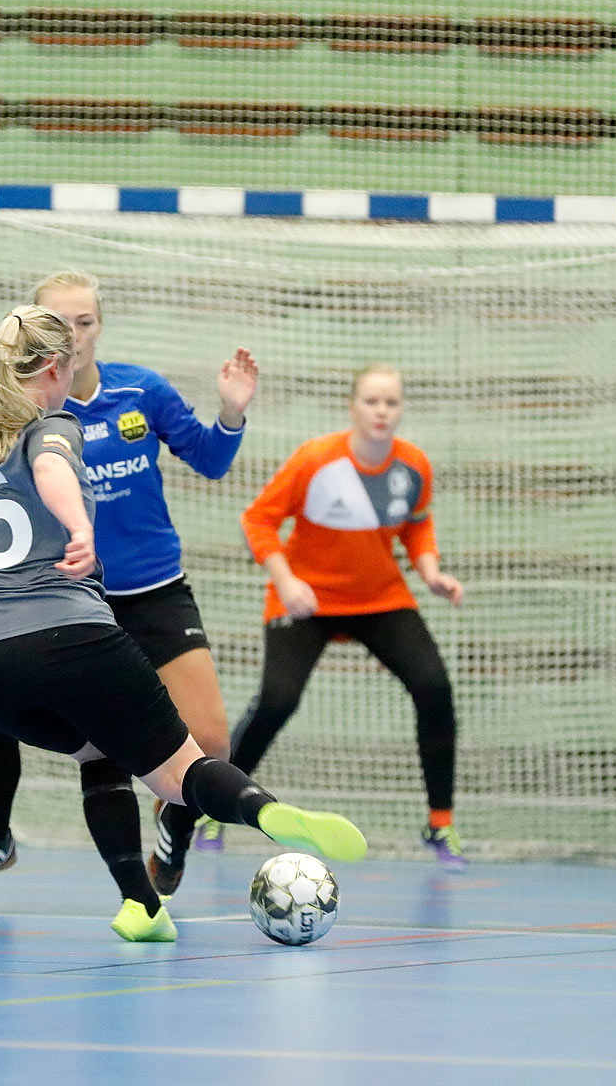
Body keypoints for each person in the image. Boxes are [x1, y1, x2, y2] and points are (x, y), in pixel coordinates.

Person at [0, 305, 365, 942]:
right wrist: (80, 527)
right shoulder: (54, 423)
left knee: (100, 749)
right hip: (69, 634)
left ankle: (143, 907)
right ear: (55, 367)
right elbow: (50, 464)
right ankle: (264, 811)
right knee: (181, 771)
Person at [0, 270, 255, 898]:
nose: (76, 336)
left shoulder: (140, 391)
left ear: (99, 326)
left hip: (151, 589)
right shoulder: (14, 415)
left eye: (86, 322)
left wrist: (232, 414)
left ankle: (173, 838)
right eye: (62, 324)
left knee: (210, 740)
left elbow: (210, 460)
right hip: (59, 600)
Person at [231, 363, 468, 870]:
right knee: (277, 700)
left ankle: (440, 822)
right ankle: (215, 805)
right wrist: (287, 581)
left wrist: (431, 574)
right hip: (306, 600)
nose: (382, 411)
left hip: (380, 598)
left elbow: (417, 527)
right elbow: (259, 520)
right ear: (353, 406)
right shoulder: (316, 461)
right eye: (372, 401)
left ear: (401, 409)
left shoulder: (413, 467)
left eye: (391, 403)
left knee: (434, 687)